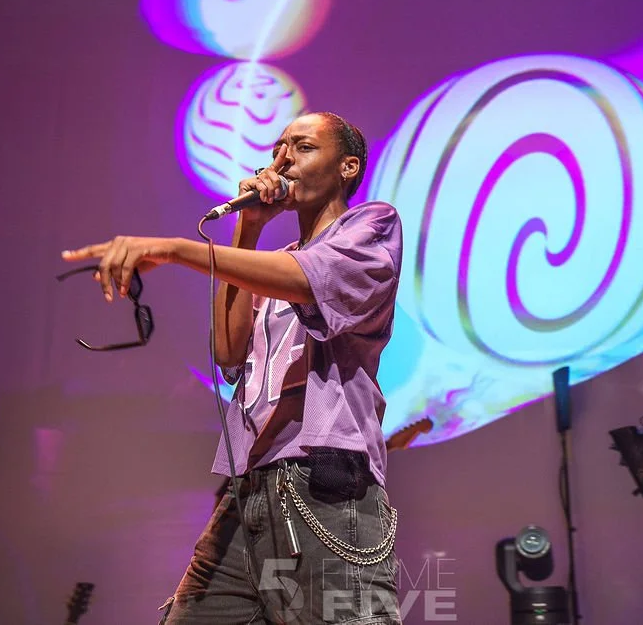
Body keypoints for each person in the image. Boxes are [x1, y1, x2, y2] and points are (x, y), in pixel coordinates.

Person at [62, 112, 404, 624]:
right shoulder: (274, 264)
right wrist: (250, 226)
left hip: (324, 485)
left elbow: (309, 280)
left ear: (347, 167)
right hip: (249, 493)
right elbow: (228, 350)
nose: (283, 158)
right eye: (278, 148)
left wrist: (175, 249)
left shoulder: (372, 227)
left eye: (303, 147)